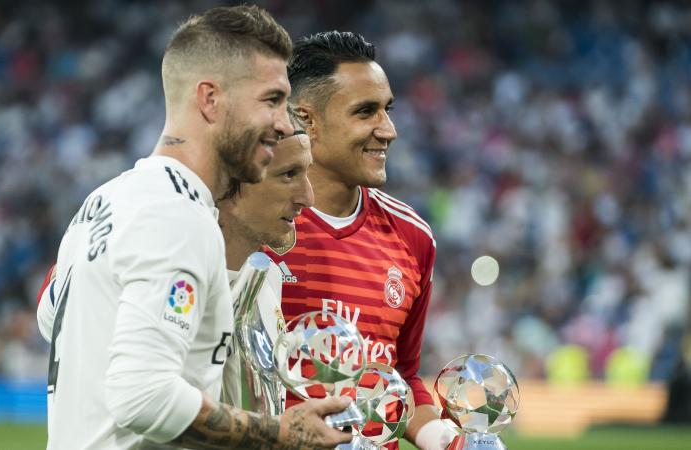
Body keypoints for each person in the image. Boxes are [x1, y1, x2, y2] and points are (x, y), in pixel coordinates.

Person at [36, 7, 351, 450]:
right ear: (210, 99)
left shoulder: (105, 201)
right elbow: (142, 397)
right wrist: (279, 433)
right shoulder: (178, 217)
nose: (283, 122)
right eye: (271, 99)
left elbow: (50, 317)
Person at [267, 31, 457, 450]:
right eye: (365, 111)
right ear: (307, 119)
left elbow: (402, 375)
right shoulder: (252, 226)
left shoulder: (413, 238)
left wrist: (439, 439)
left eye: (387, 110)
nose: (387, 130)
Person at [218, 117, 314, 411]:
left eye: (306, 173)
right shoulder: (183, 276)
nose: (308, 198)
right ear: (232, 179)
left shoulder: (269, 277)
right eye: (288, 175)